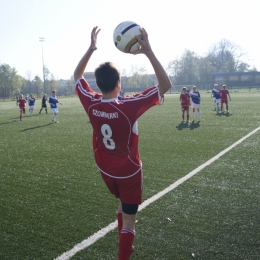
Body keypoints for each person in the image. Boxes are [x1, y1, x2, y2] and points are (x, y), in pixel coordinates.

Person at [74, 26, 171, 260]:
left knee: (121, 206)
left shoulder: (91, 102)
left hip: (105, 169)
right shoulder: (128, 105)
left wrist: (91, 48)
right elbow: (165, 85)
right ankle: (124, 251)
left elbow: (77, 76)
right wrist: (148, 52)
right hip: (128, 171)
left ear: (98, 84)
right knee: (130, 219)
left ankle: (124, 241)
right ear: (119, 82)